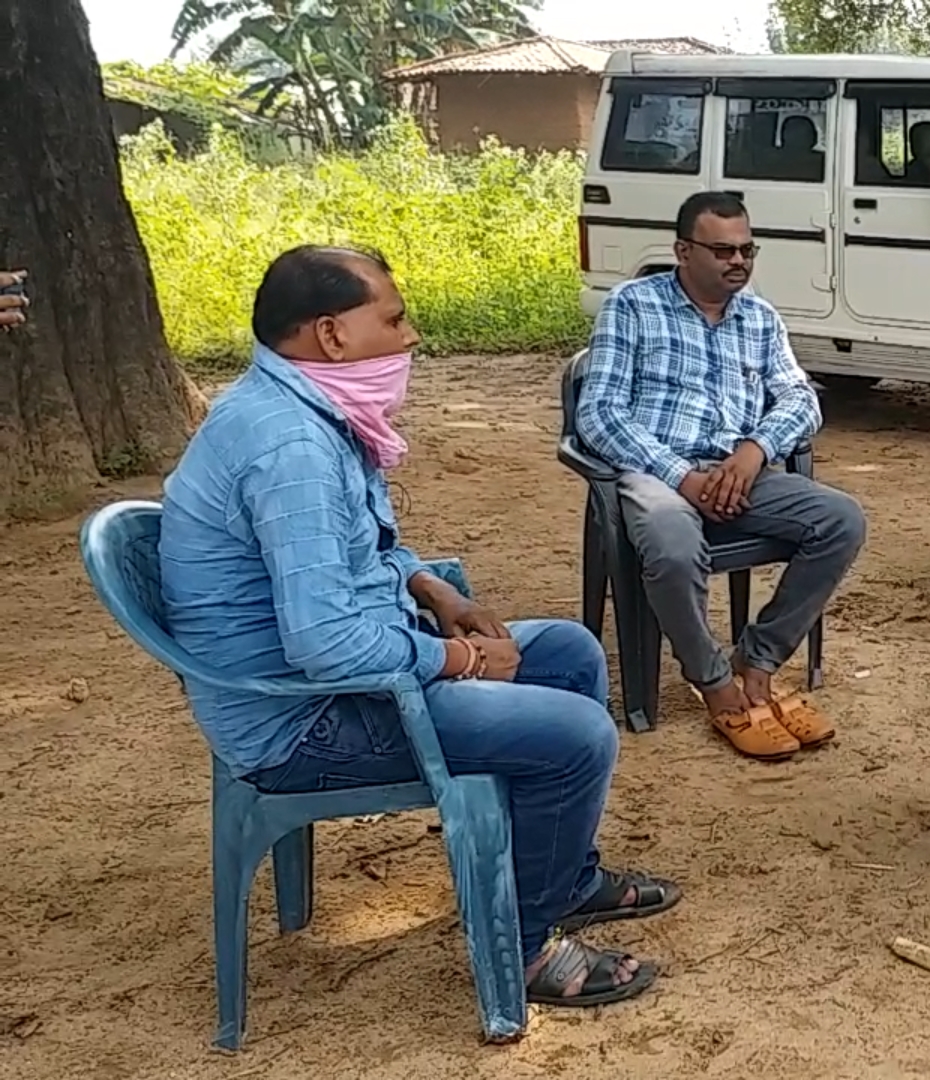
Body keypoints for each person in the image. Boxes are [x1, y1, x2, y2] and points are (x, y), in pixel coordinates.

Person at [160, 246, 674, 1011]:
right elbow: (326, 643)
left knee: (566, 653)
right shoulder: (291, 446)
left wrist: (431, 587)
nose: (411, 336)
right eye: (393, 318)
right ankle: (526, 951)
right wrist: (460, 659)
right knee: (579, 736)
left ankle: (564, 880)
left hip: (337, 682)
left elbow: (356, 554)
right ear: (332, 336)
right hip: (306, 721)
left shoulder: (304, 410)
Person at [575, 191, 867, 762]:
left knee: (841, 521)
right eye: (723, 250)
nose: (739, 261)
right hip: (658, 472)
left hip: (739, 471)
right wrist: (680, 476)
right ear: (683, 251)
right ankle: (714, 683)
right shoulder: (632, 305)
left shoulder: (759, 317)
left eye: (747, 250)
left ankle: (756, 663)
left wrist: (755, 450)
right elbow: (599, 412)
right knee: (673, 545)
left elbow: (800, 400)